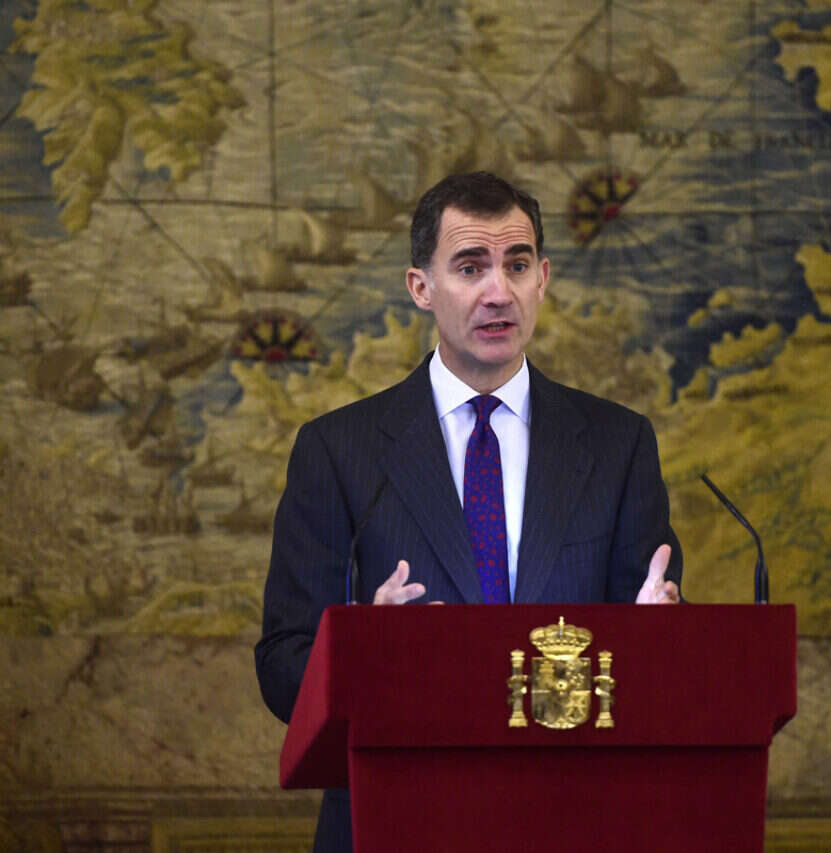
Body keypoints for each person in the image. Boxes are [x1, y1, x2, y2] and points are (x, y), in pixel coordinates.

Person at [255, 171, 682, 851]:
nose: (498, 291)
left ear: (543, 279)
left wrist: (665, 639)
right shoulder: (337, 451)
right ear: (420, 287)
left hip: (573, 820)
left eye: (517, 265)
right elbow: (282, 665)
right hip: (396, 820)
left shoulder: (617, 444)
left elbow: (654, 656)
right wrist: (362, 655)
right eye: (470, 267)